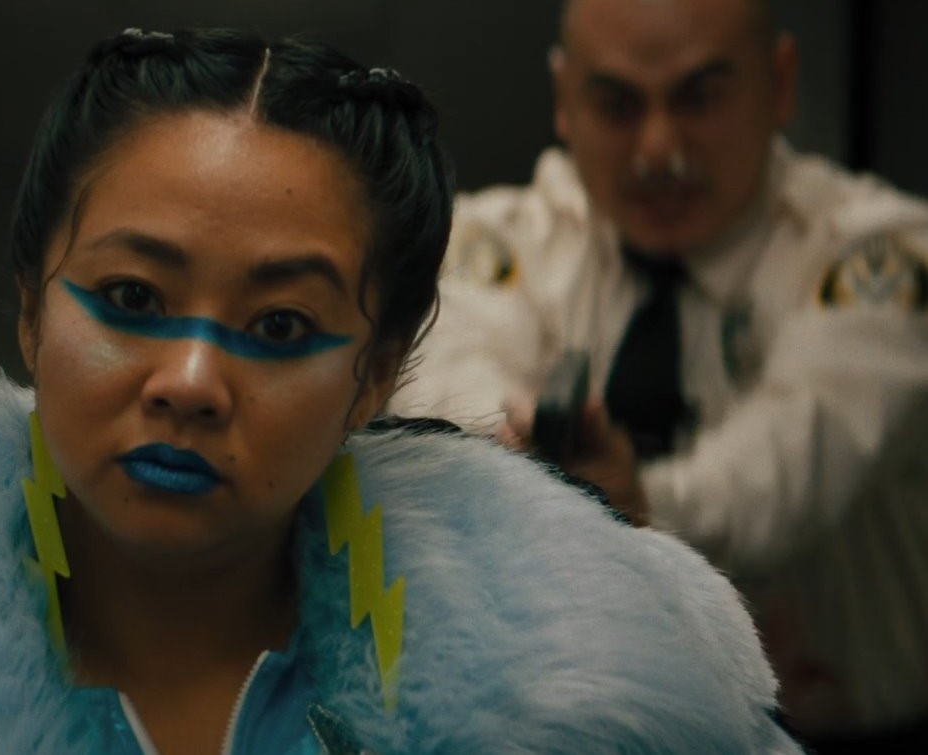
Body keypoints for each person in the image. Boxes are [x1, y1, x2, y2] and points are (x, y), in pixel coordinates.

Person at [0, 27, 797, 754]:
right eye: (131, 298)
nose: (191, 381)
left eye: (281, 325)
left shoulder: (588, 684)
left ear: (374, 371)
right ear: (31, 308)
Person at [392, 0, 928, 750]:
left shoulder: (881, 253)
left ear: (779, 84)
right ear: (564, 101)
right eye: (617, 105)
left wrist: (628, 508)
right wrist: (525, 457)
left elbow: (792, 466)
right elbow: (445, 395)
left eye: (699, 98)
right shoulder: (494, 239)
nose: (658, 149)